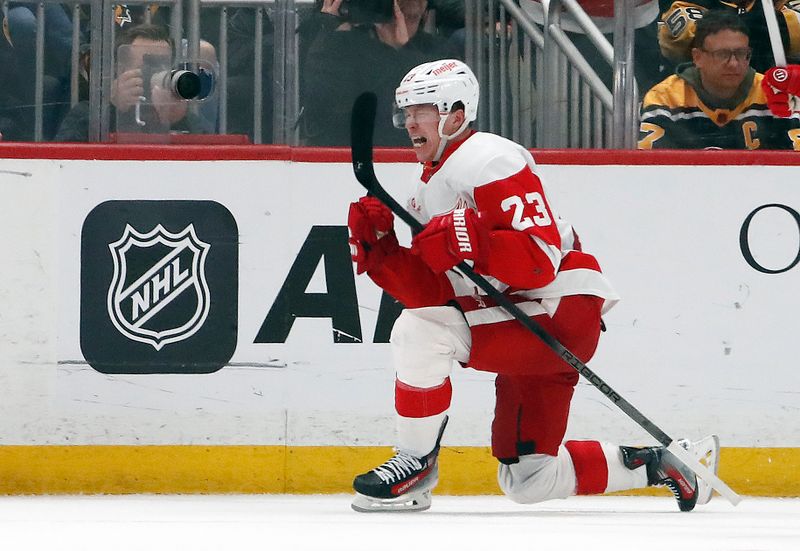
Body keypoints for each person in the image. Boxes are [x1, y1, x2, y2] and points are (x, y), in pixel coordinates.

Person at [347, 58, 719, 513]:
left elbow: (540, 261)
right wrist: (384, 253)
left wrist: (473, 239)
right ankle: (668, 463)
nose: (409, 122)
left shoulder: (490, 159)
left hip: (556, 310)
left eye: (420, 110)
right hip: (513, 316)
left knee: (419, 332)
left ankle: (416, 464)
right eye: (405, 113)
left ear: (455, 115)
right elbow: (440, 289)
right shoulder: (422, 182)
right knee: (529, 478)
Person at [300, 0, 458, 146]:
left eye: (410, 16)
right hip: (344, 163)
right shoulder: (338, 46)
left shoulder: (440, 54)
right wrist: (325, 29)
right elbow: (325, 118)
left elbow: (447, 125)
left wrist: (401, 54)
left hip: (411, 161)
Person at [638, 10, 800, 149]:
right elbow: (652, 169)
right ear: (697, 57)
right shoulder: (665, 98)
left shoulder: (777, 95)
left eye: (742, 54)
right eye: (722, 54)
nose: (734, 63)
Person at [54, 24, 215, 142]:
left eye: (162, 65)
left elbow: (210, 160)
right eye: (148, 65)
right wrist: (112, 109)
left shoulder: (178, 112)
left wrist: (179, 120)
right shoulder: (89, 113)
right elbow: (63, 162)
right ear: (121, 69)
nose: (157, 72)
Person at [657, 0, 800, 73]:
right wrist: (758, 25)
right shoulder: (687, 3)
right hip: (698, 109)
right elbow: (681, 41)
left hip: (775, 102)